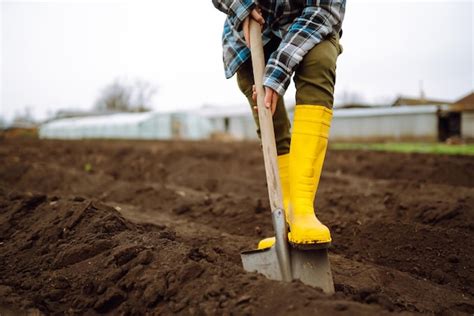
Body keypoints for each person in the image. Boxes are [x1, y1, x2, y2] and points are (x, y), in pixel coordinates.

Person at [212, 0, 346, 249]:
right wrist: (241, 7)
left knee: (320, 60)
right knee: (267, 113)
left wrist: (276, 73)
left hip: (309, 26)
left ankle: (302, 211)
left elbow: (325, 11)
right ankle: (283, 219)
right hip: (250, 38)